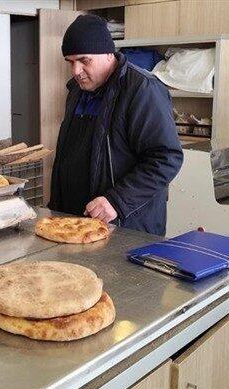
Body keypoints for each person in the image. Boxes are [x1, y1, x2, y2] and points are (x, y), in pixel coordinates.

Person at [48, 15, 183, 236]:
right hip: (77, 222)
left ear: (108, 53)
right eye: (70, 62)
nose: (75, 70)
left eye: (84, 60)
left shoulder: (142, 90)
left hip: (126, 224)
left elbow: (166, 158)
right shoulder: (76, 91)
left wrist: (117, 201)